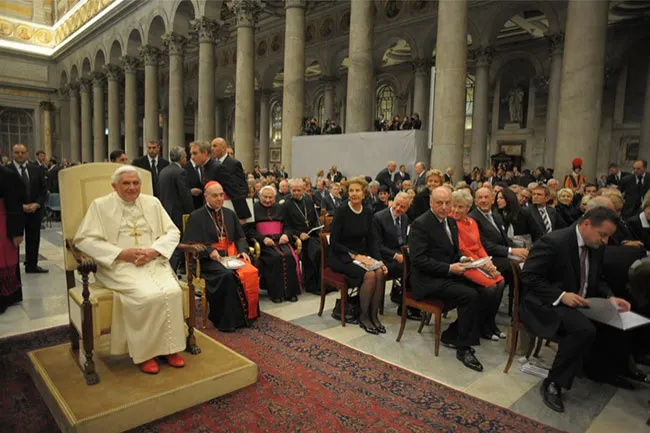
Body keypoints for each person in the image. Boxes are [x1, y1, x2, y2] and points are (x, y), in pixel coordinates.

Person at [73, 166, 186, 374]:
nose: (132, 187)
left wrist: (153, 251)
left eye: (136, 183)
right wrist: (121, 254)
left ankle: (170, 348)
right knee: (145, 296)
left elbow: (173, 232)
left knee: (173, 291)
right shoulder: (100, 206)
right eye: (126, 183)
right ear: (114, 186)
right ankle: (146, 354)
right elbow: (83, 239)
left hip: (152, 261)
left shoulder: (152, 203)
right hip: (118, 265)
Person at [520, 207, 631, 413]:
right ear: (586, 224)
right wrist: (562, 295)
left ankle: (601, 370)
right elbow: (529, 276)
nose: (605, 241)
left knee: (619, 319)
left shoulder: (596, 244)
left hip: (581, 301)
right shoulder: (553, 242)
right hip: (545, 303)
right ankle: (553, 382)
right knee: (583, 329)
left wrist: (610, 297)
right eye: (603, 235)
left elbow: (599, 279)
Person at [408, 187, 491, 372]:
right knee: (469, 295)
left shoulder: (451, 222)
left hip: (446, 273)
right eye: (439, 203)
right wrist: (449, 268)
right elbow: (418, 260)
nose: (444, 207)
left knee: (484, 288)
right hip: (427, 280)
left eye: (448, 203)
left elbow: (453, 251)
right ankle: (463, 348)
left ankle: (454, 333)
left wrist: (462, 259)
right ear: (431, 203)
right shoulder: (421, 224)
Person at [182, 181, 260, 331]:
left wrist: (243, 250)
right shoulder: (196, 216)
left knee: (250, 271)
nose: (219, 198)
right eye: (214, 196)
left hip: (231, 256)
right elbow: (189, 243)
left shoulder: (229, 214)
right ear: (206, 197)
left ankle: (248, 316)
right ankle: (226, 320)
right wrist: (208, 250)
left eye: (221, 195)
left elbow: (240, 237)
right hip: (207, 261)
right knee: (228, 275)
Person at [328, 177, 387, 334]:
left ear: (364, 194)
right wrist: (354, 256)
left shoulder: (368, 212)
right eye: (351, 190)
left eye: (357, 190)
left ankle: (374, 316)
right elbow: (333, 242)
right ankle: (364, 316)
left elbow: (371, 240)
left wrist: (379, 261)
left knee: (380, 271)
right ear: (348, 193)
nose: (354, 193)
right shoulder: (341, 211)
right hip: (341, 256)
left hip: (360, 254)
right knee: (369, 275)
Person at [451, 189, 506, 340]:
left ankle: (490, 323)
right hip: (466, 263)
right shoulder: (452, 223)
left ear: (468, 208)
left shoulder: (472, 222)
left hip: (478, 261)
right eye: (454, 206)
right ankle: (481, 325)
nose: (456, 210)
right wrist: (481, 264)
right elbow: (462, 248)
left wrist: (489, 263)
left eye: (460, 207)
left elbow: (479, 246)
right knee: (490, 287)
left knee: (501, 281)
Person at [248, 185, 301, 303]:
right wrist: (263, 239)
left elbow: (288, 226)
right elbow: (249, 230)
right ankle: (276, 294)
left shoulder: (280, 208)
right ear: (259, 196)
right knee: (275, 258)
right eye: (265, 197)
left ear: (275, 198)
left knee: (289, 256)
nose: (268, 200)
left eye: (270, 198)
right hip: (264, 243)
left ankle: (290, 292)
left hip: (280, 241)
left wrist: (286, 235)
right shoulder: (253, 208)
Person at [7, 144, 48, 273]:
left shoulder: (36, 169)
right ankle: (13, 267)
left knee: (34, 239)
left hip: (34, 211)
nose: (20, 155)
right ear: (12, 154)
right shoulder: (6, 170)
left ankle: (32, 265)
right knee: (14, 241)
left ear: (27, 154)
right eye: (17, 152)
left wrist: (37, 204)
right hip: (15, 212)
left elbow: (43, 190)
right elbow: (5, 193)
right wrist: (20, 206)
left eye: (23, 152)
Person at [157, 147, 194, 272]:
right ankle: (171, 270)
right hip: (178, 213)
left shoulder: (163, 171)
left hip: (165, 211)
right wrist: (191, 213)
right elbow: (185, 196)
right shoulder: (180, 172)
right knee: (179, 244)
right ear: (182, 158)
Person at [282, 178, 322, 294]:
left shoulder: (308, 201)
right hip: (296, 238)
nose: (296, 193)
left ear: (303, 190)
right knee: (316, 251)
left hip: (311, 235)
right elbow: (286, 226)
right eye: (293, 190)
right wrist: (299, 234)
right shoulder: (286, 204)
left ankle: (322, 282)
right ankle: (311, 285)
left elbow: (314, 219)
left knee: (324, 249)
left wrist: (317, 229)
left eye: (298, 190)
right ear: (290, 190)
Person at [204, 137, 251, 220]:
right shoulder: (211, 164)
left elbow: (242, 187)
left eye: (215, 146)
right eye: (211, 146)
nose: (212, 149)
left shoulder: (233, 163)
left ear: (223, 148)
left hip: (230, 204)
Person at [0, 165, 25, 313]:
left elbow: (15, 204)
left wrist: (17, 232)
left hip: (2, 222)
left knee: (3, 261)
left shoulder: (7, 175)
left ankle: (5, 298)